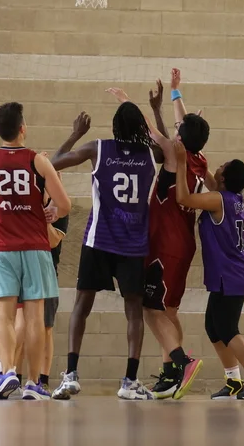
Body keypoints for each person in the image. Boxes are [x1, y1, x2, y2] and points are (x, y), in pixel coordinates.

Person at [50, 92, 167, 400]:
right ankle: (130, 381)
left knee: (81, 306)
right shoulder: (150, 154)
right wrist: (156, 111)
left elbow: (52, 164)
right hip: (132, 245)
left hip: (98, 240)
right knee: (133, 313)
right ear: (140, 127)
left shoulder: (97, 148)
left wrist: (75, 134)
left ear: (115, 126)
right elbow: (168, 147)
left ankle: (71, 375)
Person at [0, 102, 71, 400]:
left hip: (1, 249)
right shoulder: (37, 161)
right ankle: (33, 383)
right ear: (22, 128)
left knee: (4, 316)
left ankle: (7, 373)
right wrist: (52, 212)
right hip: (35, 248)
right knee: (34, 318)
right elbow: (65, 204)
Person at [173, 141, 244, 400]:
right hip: (230, 271)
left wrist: (182, 162)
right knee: (213, 327)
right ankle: (233, 381)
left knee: (227, 328)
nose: (217, 168)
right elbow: (211, 181)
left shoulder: (218, 200)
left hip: (234, 272)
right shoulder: (230, 197)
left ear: (225, 178)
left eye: (222, 167)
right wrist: (199, 161)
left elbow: (183, 198)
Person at [143, 69, 209, 399]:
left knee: (151, 308)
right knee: (168, 311)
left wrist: (131, 103)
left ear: (181, 138)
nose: (177, 128)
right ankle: (170, 374)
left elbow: (152, 132)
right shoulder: (199, 159)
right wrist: (175, 92)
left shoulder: (174, 156)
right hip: (182, 243)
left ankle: (181, 364)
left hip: (165, 245)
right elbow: (183, 124)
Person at [0, 192, 67, 396]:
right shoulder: (22, 197)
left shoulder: (57, 207)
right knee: (17, 321)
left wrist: (41, 219)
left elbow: (54, 240)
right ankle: (10, 373)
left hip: (43, 266)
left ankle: (38, 380)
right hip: (17, 257)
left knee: (44, 326)